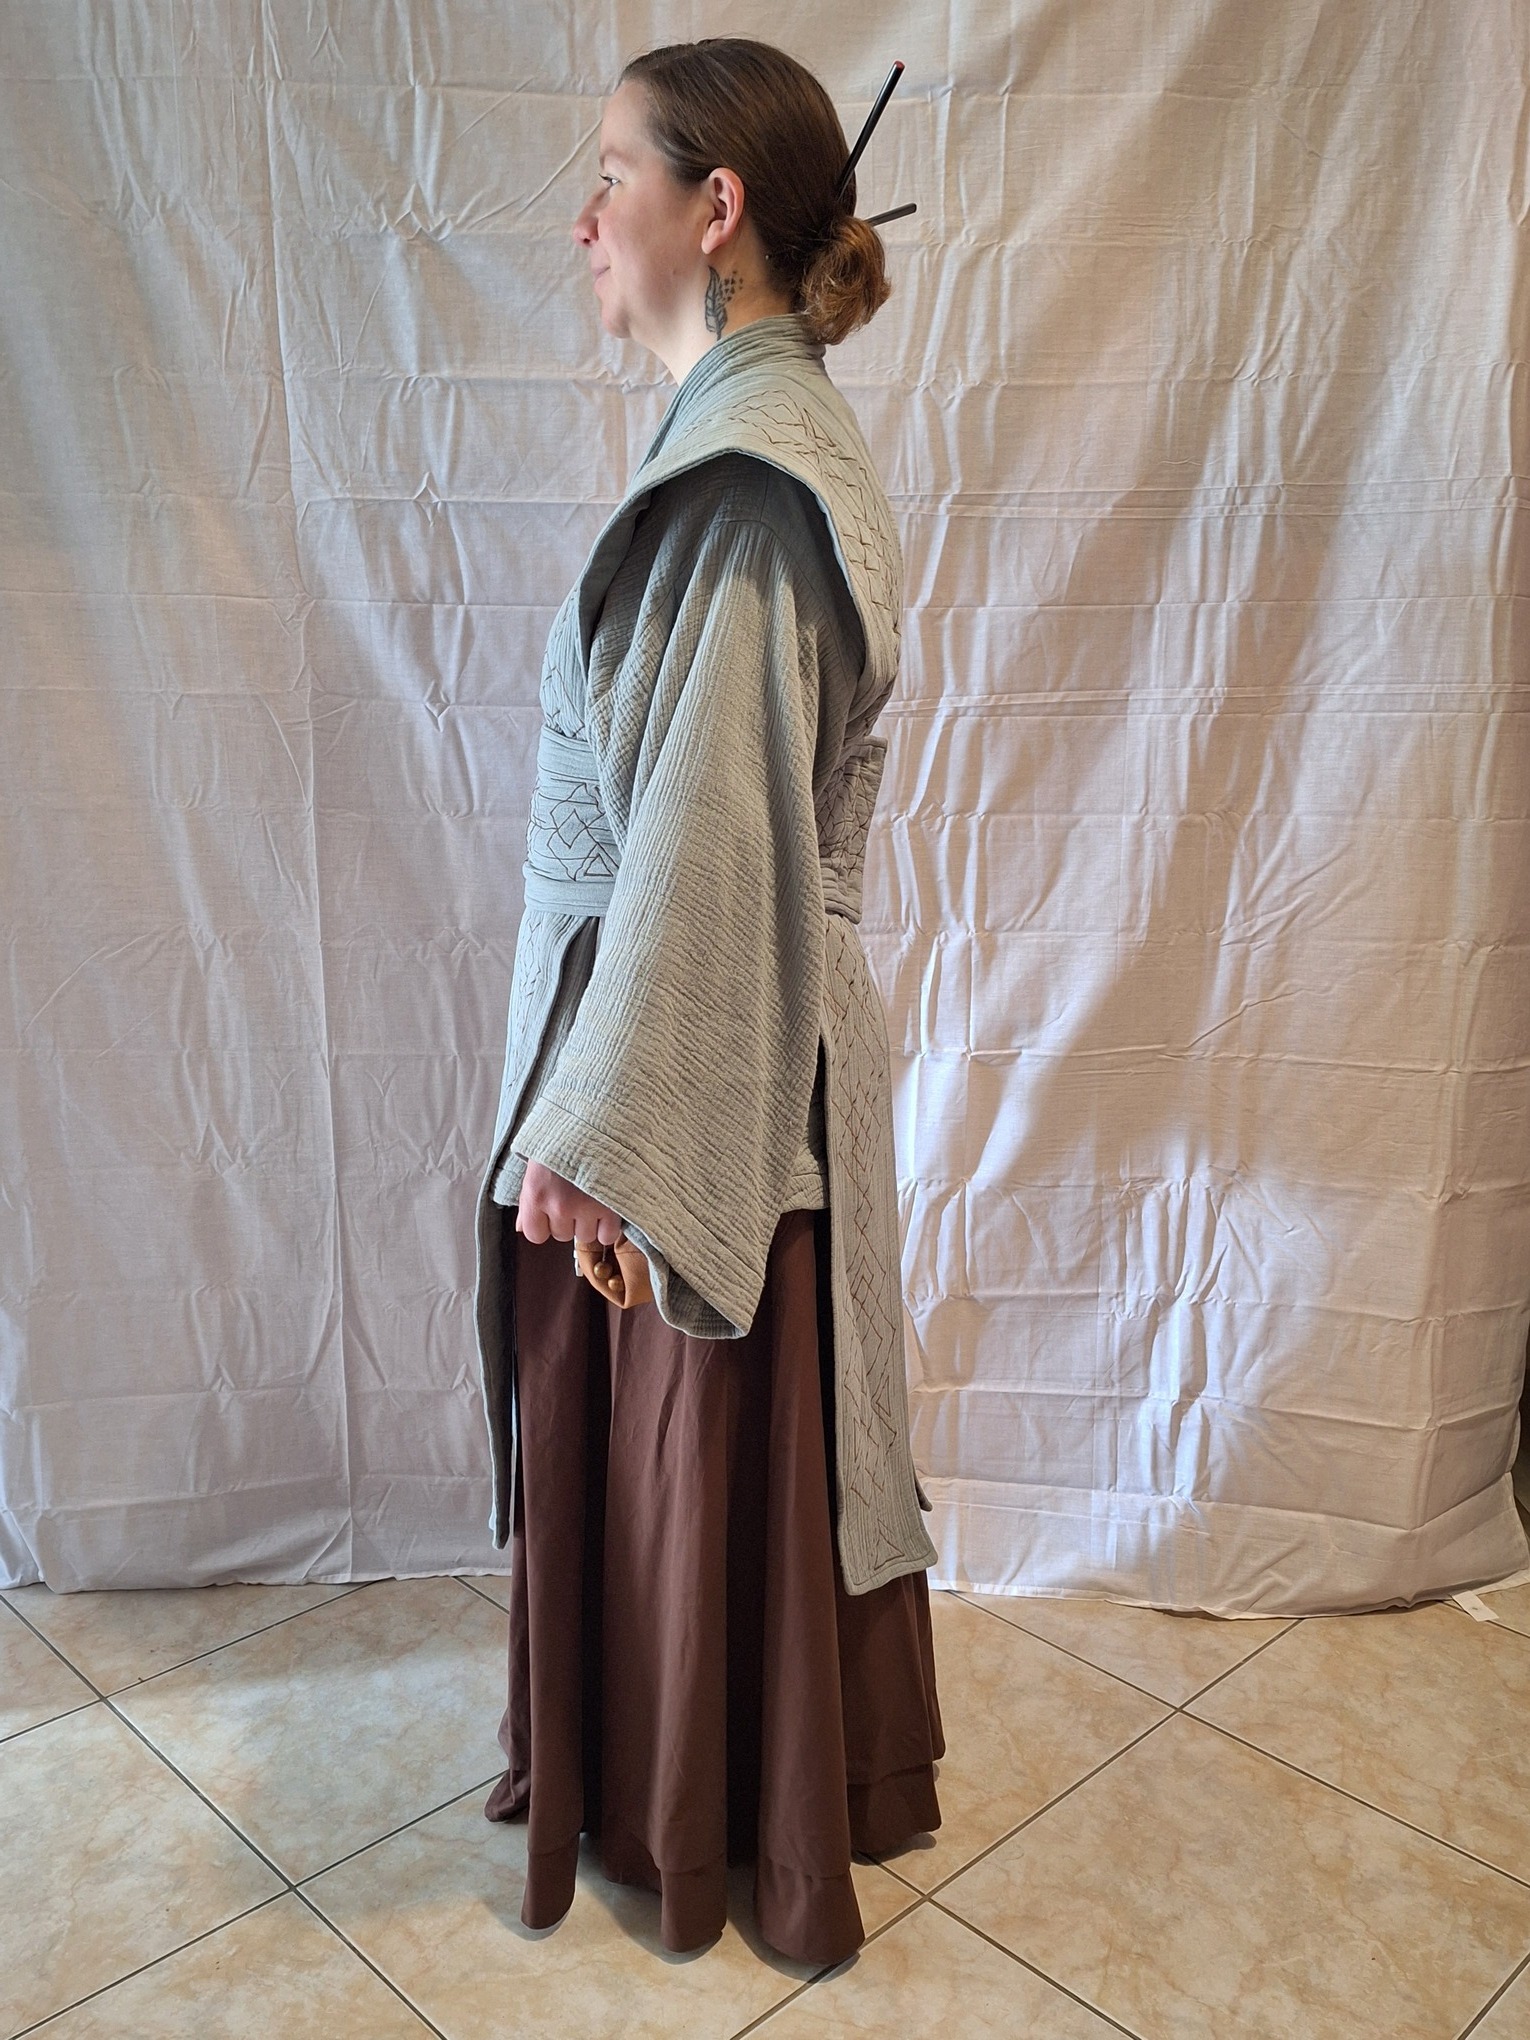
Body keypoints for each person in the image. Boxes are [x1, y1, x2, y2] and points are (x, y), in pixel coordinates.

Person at [472, 37, 944, 1966]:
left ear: (715, 207)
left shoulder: (750, 493)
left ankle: (702, 1814)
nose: (584, 219)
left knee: (693, 1445)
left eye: (613, 174)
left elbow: (709, 851)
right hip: (699, 1036)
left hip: (700, 1071)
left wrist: (600, 1137)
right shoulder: (737, 451)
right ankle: (719, 1786)